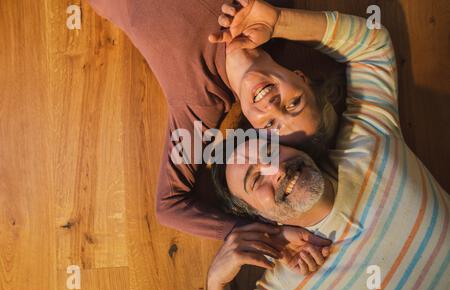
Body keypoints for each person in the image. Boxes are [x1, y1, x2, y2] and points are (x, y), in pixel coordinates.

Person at [207, 2, 450, 290]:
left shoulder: (369, 142)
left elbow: (373, 44)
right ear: (261, 216)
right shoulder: (286, 284)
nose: (276, 169)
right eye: (256, 179)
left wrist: (279, 21)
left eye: (270, 151)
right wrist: (217, 281)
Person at [87, 0, 340, 240]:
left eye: (271, 125)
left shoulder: (199, 100)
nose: (273, 106)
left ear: (252, 128)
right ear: (301, 77)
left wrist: (271, 237)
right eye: (294, 103)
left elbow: (169, 206)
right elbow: (366, 46)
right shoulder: (272, 18)